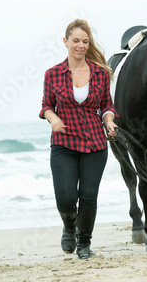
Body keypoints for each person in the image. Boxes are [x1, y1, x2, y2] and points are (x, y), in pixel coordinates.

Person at [39, 19, 118, 259]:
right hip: (63, 144)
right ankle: (69, 226)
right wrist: (53, 118)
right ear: (66, 42)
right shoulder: (52, 74)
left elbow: (107, 105)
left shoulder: (101, 73)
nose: (81, 45)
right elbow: (46, 106)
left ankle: (84, 244)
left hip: (94, 143)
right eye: (76, 41)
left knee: (88, 196)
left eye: (85, 41)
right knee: (66, 197)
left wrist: (109, 120)